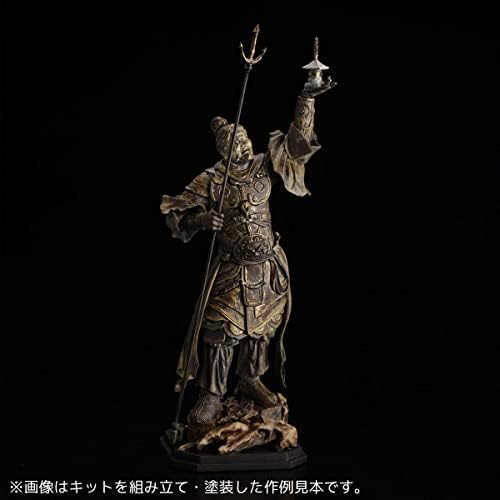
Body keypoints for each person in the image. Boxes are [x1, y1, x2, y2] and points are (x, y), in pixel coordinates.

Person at [160, 78, 334, 426]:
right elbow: (176, 210)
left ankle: (251, 379)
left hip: (267, 267)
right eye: (232, 144)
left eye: (243, 139)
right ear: (221, 151)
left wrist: (306, 100)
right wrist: (201, 219)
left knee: (262, 327)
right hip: (232, 267)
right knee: (220, 329)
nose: (241, 147)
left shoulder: (263, 165)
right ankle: (212, 393)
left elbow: (297, 149)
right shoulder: (211, 179)